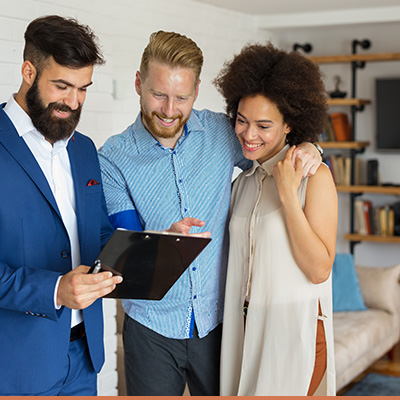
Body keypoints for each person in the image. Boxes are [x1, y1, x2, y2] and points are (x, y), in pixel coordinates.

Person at [98, 31, 323, 396]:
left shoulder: (222, 131)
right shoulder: (112, 158)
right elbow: (128, 258)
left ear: (197, 91)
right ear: (139, 83)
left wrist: (312, 145)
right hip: (152, 327)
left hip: (221, 323)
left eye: (181, 97)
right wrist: (164, 243)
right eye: (158, 94)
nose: (169, 110)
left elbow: (271, 142)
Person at [0, 15, 123, 396]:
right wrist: (54, 290)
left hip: (83, 359)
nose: (73, 101)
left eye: (83, 89)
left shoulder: (84, 148)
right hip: (15, 365)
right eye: (62, 86)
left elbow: (98, 232)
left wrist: (149, 250)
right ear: (28, 71)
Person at [214, 42, 338, 395]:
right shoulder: (244, 182)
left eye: (263, 125)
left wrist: (287, 193)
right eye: (241, 120)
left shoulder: (315, 178)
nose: (249, 135)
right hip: (243, 325)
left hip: (292, 327)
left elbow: (319, 269)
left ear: (289, 126)